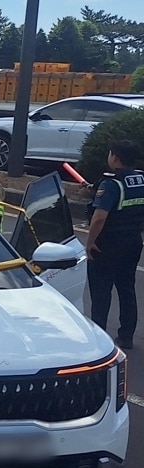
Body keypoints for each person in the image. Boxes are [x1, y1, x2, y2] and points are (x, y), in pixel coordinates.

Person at [85, 139, 144, 350]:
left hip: (107, 246)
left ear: (115, 158)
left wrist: (90, 243)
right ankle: (126, 337)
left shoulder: (111, 184)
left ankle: (99, 338)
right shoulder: (140, 179)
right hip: (133, 243)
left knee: (101, 292)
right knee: (127, 289)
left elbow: (99, 218)